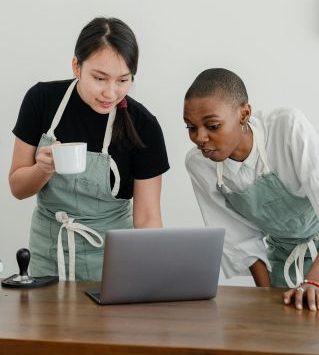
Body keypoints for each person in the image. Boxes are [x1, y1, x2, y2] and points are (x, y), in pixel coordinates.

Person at [9, 17, 170, 281]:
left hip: (113, 262)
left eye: (123, 80)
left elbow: (148, 218)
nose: (110, 92)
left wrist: (151, 279)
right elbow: (17, 188)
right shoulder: (41, 101)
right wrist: (42, 169)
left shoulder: (144, 126)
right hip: (48, 257)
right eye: (99, 78)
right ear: (76, 66)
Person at [184, 68, 319, 311]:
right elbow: (240, 241)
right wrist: (266, 298)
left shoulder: (287, 129)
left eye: (212, 126)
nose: (200, 138)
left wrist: (313, 281)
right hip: (282, 259)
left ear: (244, 113)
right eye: (191, 127)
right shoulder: (199, 165)